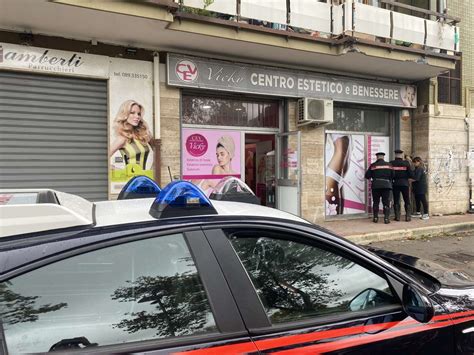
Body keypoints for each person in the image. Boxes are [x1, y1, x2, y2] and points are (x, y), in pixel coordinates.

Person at [110, 100, 152, 174]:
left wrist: (153, 170)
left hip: (145, 179)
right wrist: (121, 171)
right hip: (131, 181)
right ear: (125, 114)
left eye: (139, 114)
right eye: (132, 113)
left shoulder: (144, 134)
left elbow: (158, 151)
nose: (137, 116)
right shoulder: (122, 138)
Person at [325, 134, 351, 215]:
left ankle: (337, 221)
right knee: (333, 212)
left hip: (338, 175)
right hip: (333, 174)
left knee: (337, 213)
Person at [365, 152, 393, 224]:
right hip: (386, 186)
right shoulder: (389, 165)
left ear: (377, 157)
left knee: (376, 202)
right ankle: (386, 219)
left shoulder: (373, 165)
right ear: (383, 157)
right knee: (386, 202)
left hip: (376, 186)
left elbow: (367, 176)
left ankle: (375, 218)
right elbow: (393, 175)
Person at [390, 149, 414, 222]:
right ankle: (408, 217)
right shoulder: (406, 163)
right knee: (406, 199)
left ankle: (397, 217)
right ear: (401, 155)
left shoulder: (391, 163)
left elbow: (390, 174)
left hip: (395, 184)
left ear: (395, 155)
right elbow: (411, 174)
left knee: (396, 200)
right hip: (405, 184)